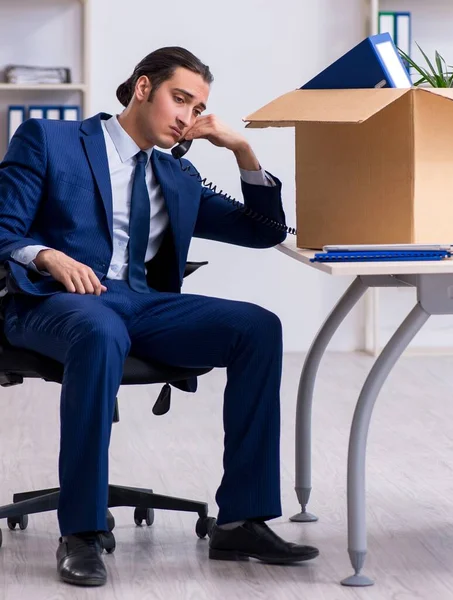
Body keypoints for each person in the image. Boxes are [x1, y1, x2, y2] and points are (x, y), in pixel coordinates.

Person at [0, 46, 318, 587]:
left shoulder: (177, 175)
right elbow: (4, 227)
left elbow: (263, 231)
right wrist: (48, 256)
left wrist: (242, 150)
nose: (187, 117)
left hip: (141, 302)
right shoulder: (50, 140)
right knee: (99, 331)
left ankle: (241, 520)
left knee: (258, 327)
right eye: (180, 99)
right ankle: (80, 533)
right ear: (143, 88)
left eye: (197, 109)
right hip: (50, 300)